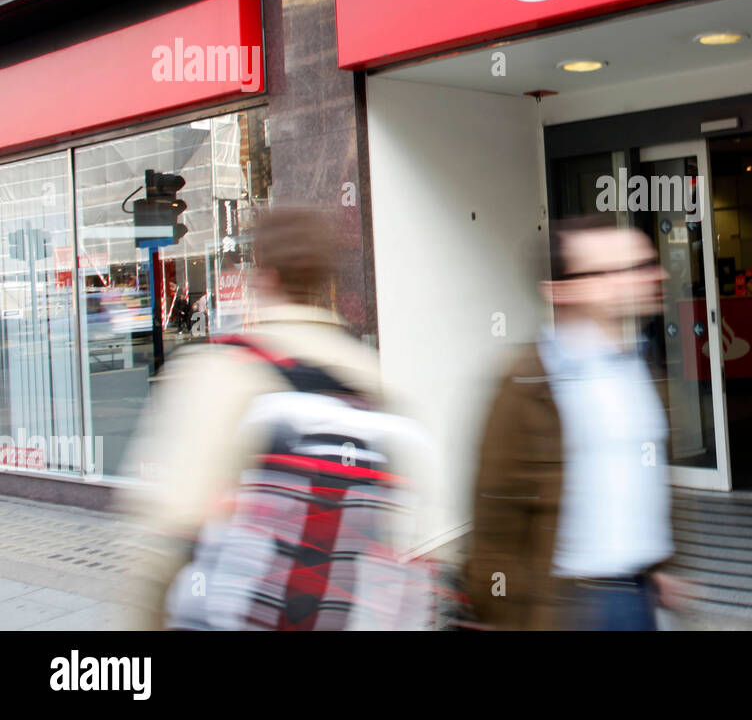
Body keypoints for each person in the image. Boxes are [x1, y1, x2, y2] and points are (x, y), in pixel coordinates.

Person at [122, 206, 439, 629]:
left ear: (263, 276)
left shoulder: (219, 372)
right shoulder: (371, 380)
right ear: (324, 282)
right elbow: (415, 534)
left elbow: (164, 544)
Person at [463, 218, 688, 630]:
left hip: (643, 597)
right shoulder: (524, 385)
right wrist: (508, 617)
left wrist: (662, 565)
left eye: (648, 263)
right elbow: (495, 525)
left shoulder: (642, 365)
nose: (656, 275)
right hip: (572, 609)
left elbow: (652, 481)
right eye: (628, 269)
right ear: (563, 289)